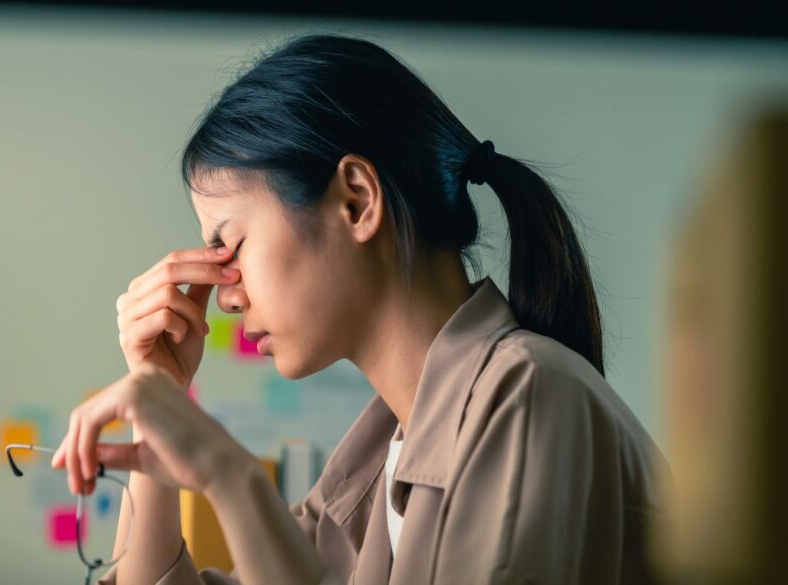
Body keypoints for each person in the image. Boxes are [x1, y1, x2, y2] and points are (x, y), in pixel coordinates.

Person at [50, 33, 671, 584]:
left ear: (355, 201)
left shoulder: (528, 394)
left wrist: (230, 476)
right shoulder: (372, 464)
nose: (226, 295)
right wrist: (157, 394)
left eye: (230, 246)